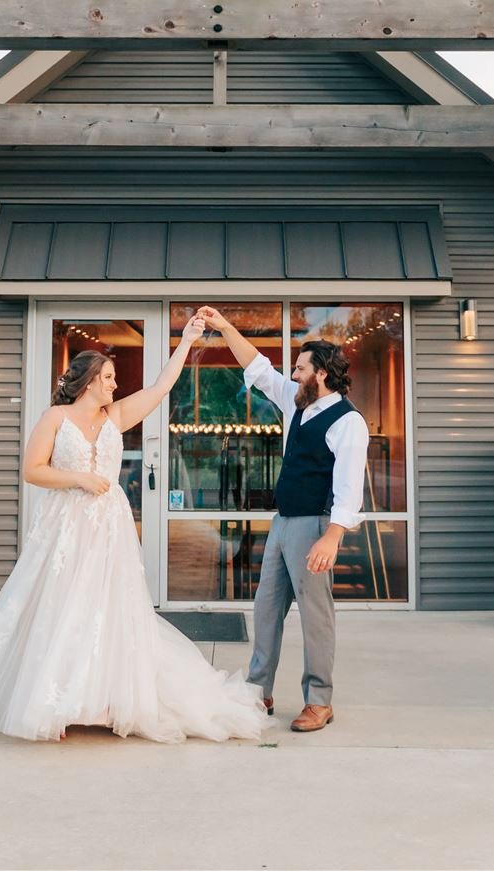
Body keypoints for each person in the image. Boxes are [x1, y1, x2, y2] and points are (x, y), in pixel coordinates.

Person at [0, 314, 270, 743]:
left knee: (107, 610)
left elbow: (160, 388)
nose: (116, 384)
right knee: (63, 608)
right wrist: (77, 478)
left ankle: (105, 701)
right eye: (110, 377)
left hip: (109, 527)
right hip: (67, 525)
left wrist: (187, 341)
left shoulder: (116, 415)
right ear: (90, 380)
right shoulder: (55, 418)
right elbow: (33, 470)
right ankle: (55, 703)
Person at [194, 306, 365, 733]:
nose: (293, 373)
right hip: (283, 522)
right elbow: (258, 366)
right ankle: (258, 691)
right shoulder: (297, 402)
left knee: (315, 617)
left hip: (315, 527)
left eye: (300, 367)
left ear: (320, 373)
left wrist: (331, 538)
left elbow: (348, 489)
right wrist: (226, 327)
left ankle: (319, 701)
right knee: (266, 608)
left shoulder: (349, 422)